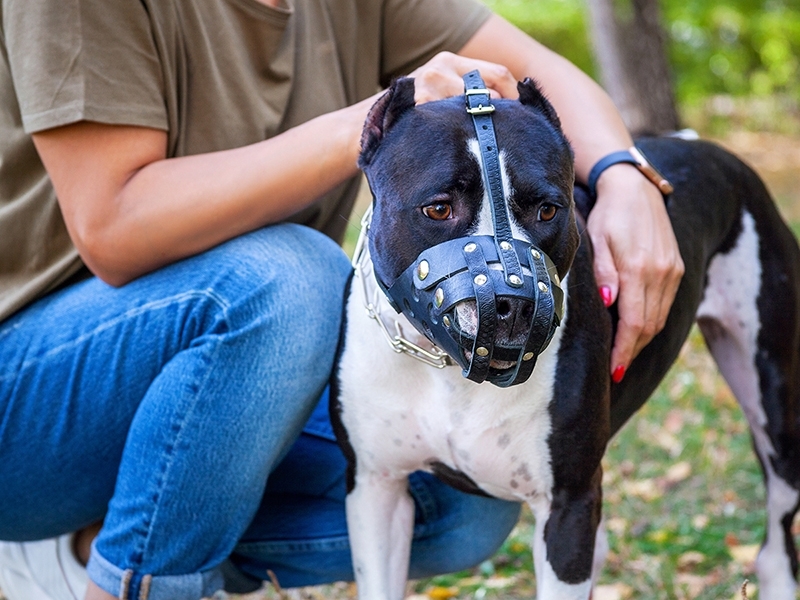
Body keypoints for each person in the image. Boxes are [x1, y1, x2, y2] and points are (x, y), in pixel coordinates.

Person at [0, 0, 684, 599]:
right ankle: (135, 583)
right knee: (291, 278)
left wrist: (622, 175)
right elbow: (112, 225)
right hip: (29, 385)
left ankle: (84, 548)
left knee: (459, 500)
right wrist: (367, 126)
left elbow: (547, 79)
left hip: (226, 371)